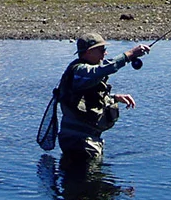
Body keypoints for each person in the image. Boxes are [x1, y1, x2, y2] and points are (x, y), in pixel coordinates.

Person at [56, 33, 150, 161]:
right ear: (89, 52)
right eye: (102, 50)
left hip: (85, 141)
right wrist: (130, 54)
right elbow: (102, 69)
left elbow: (88, 99)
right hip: (79, 143)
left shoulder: (85, 76)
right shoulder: (80, 71)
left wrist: (114, 98)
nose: (105, 53)